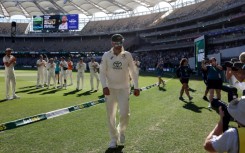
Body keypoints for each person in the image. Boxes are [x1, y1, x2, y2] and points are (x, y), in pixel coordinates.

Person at [100, 34, 140, 148]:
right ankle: (113, 138)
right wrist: (104, 86)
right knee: (111, 115)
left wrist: (136, 87)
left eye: (120, 43)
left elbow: (133, 71)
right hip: (110, 89)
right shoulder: (106, 55)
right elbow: (102, 72)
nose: (119, 46)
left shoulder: (127, 55)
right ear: (112, 43)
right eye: (116, 43)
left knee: (124, 114)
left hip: (124, 88)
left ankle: (121, 131)